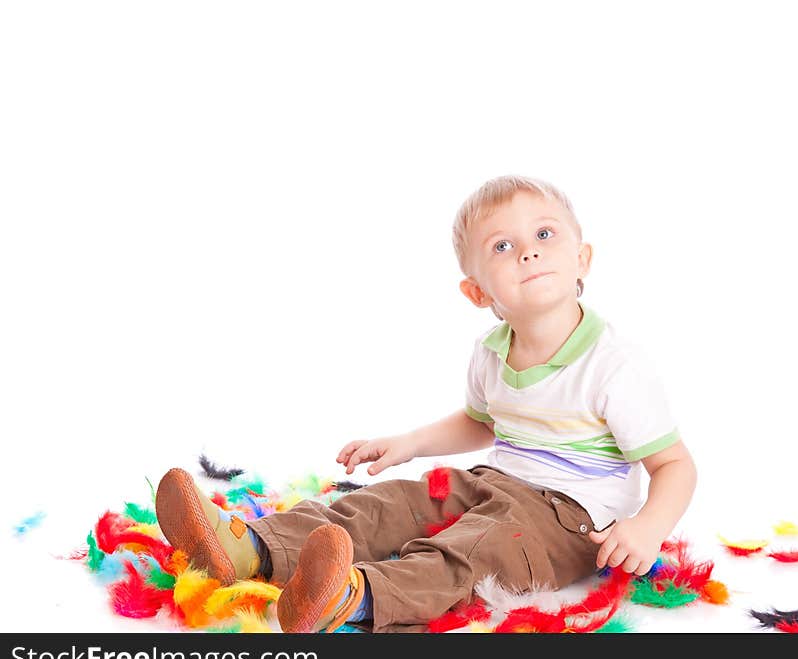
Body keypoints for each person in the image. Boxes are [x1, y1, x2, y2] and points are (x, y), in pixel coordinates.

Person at [155, 175, 697, 633]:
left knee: (472, 549)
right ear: (478, 293)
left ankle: (353, 595)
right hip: (494, 479)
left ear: (582, 259)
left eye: (544, 234)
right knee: (390, 503)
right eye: (502, 247)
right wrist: (410, 444)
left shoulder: (614, 365)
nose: (528, 250)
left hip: (571, 521)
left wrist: (647, 527)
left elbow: (674, 465)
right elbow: (479, 422)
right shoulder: (490, 354)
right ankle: (254, 548)